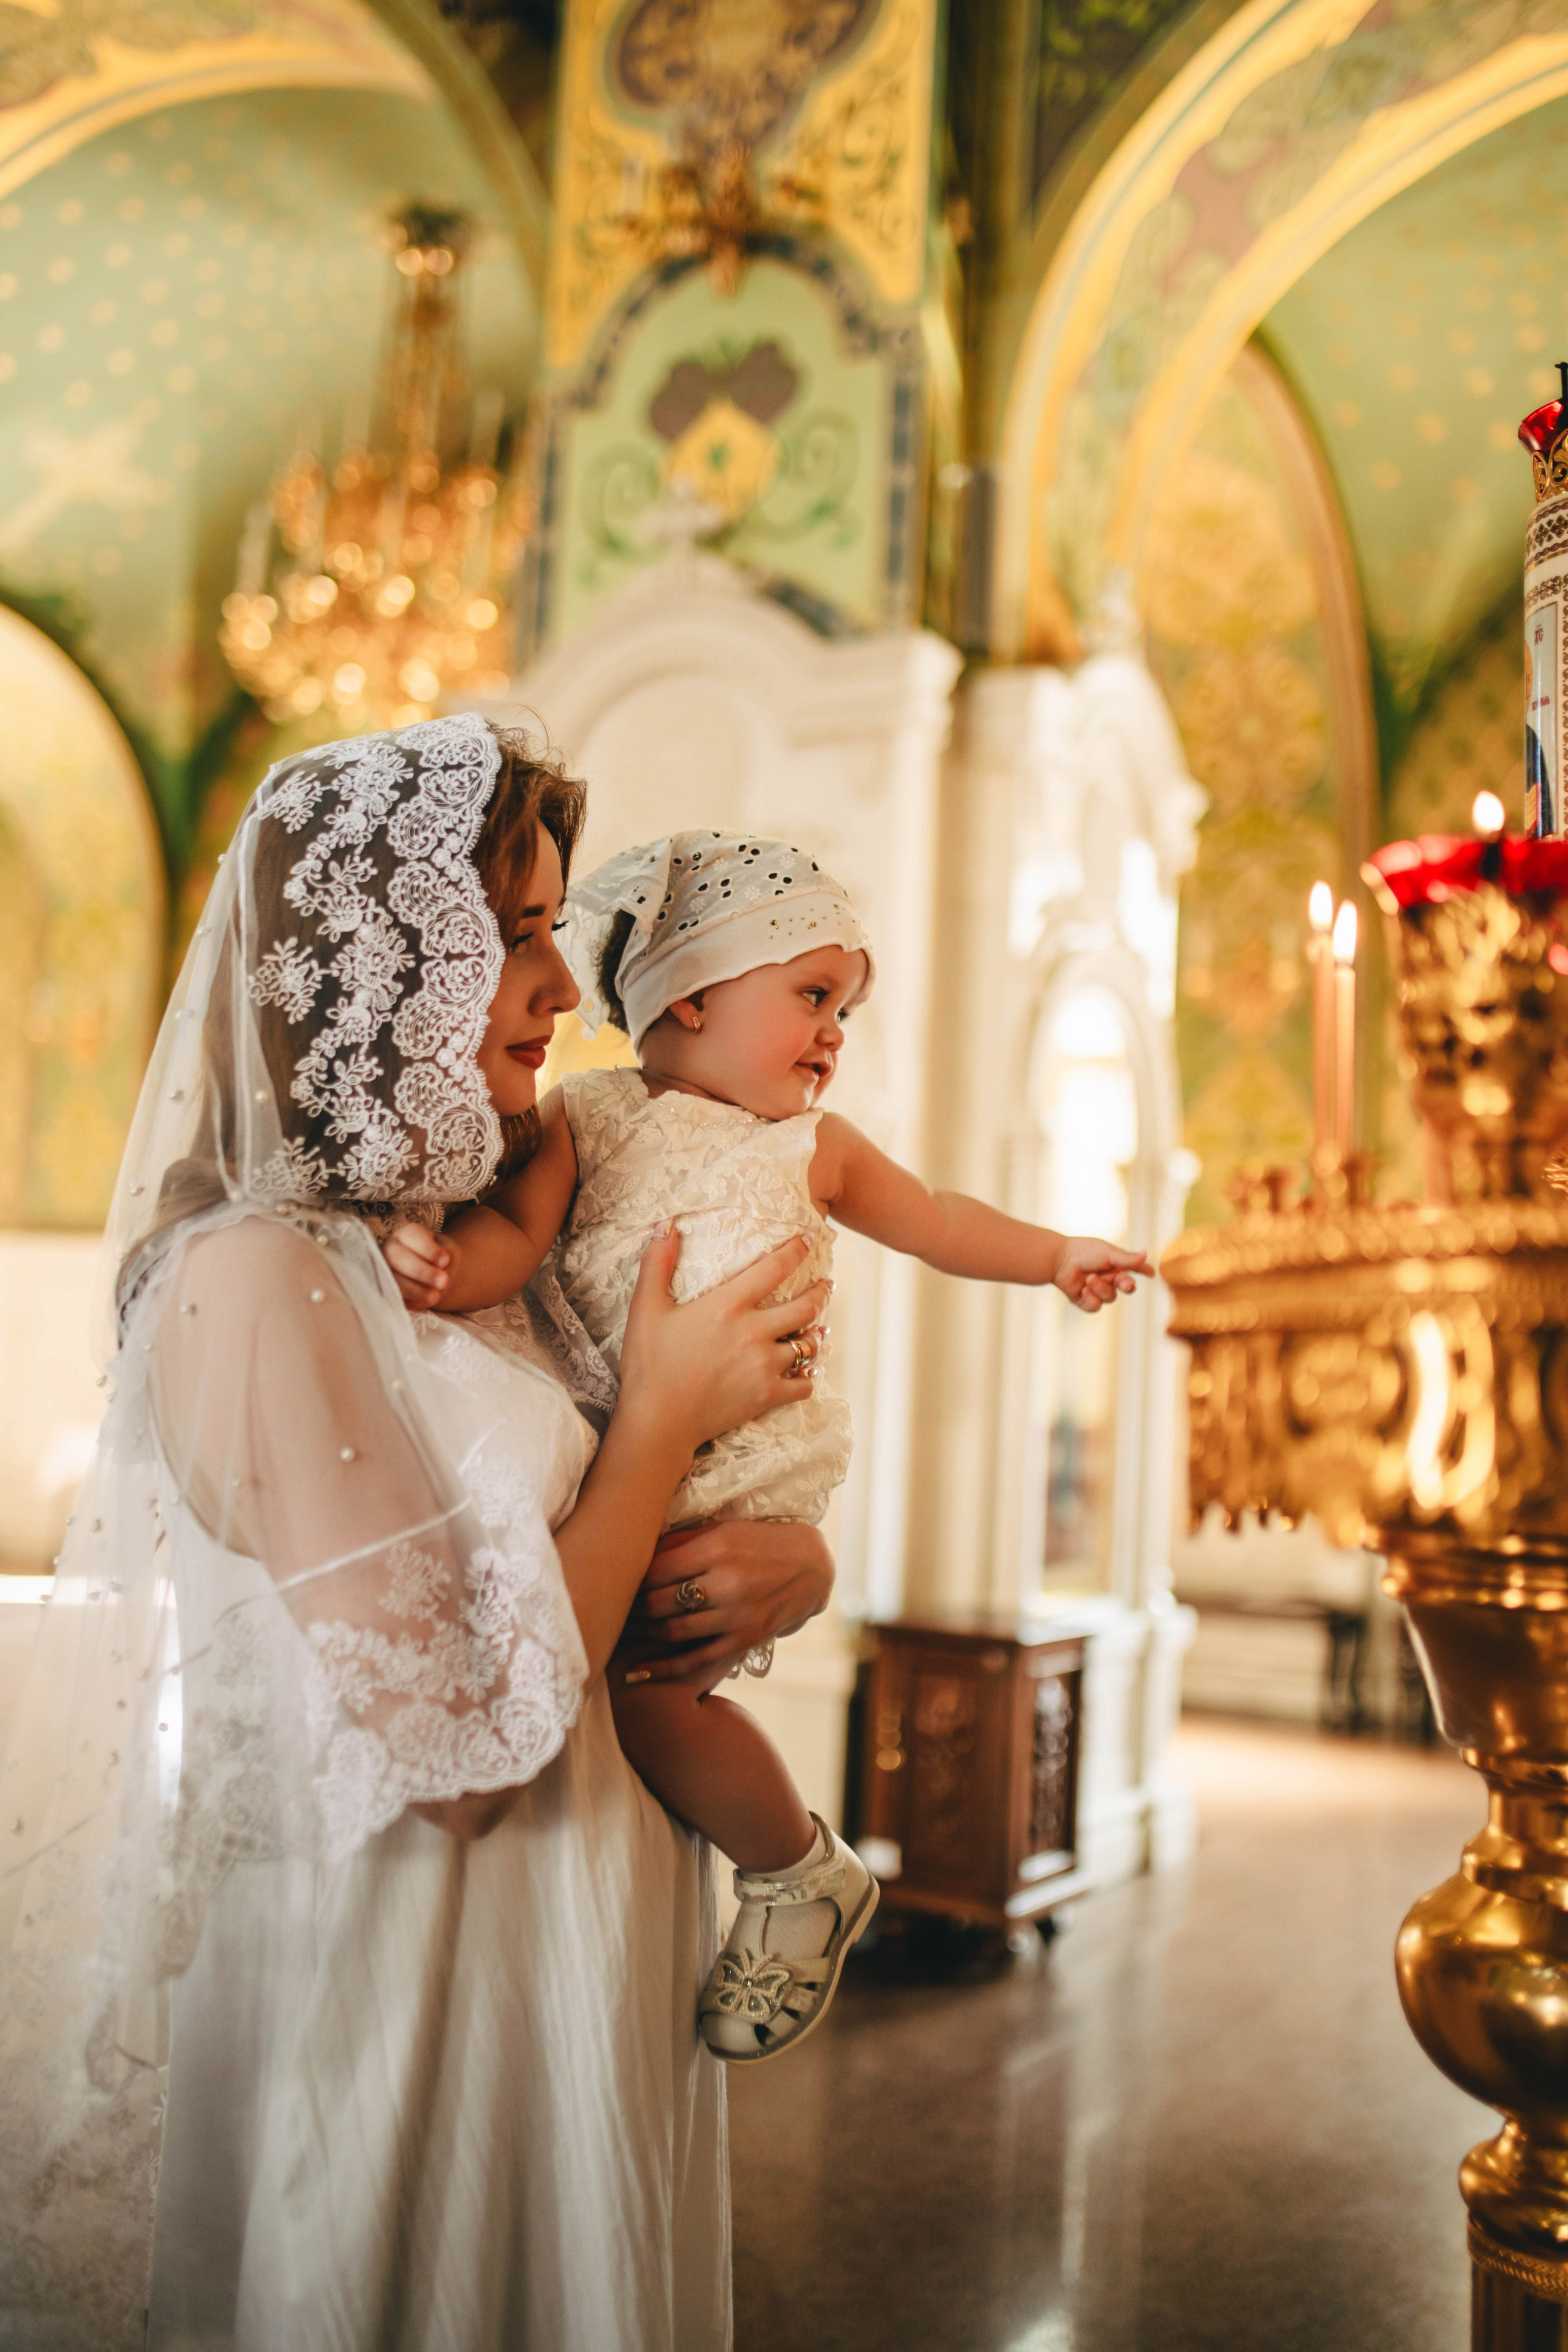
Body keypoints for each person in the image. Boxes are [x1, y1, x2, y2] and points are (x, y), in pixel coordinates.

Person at [0, 718, 835, 2352]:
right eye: (516, 936)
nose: (561, 993)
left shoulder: (468, 1243)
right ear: (382, 962)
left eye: (549, 934)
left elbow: (594, 1544)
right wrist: (659, 1418)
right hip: (414, 1997)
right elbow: (457, 1758)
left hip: (584, 1968)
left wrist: (785, 1563)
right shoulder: (253, 1273)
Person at [381, 830, 1152, 2064]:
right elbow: (514, 1244)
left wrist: (1055, 1254)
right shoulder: (584, 1118)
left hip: (742, 1482)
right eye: (811, 997)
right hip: (628, 1468)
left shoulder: (813, 1147)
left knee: (651, 1699)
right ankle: (803, 1867)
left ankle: (792, 1871)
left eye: (840, 1008)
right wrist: (438, 1268)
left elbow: (940, 1221)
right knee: (624, 1696)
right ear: (689, 990)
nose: (834, 1033)